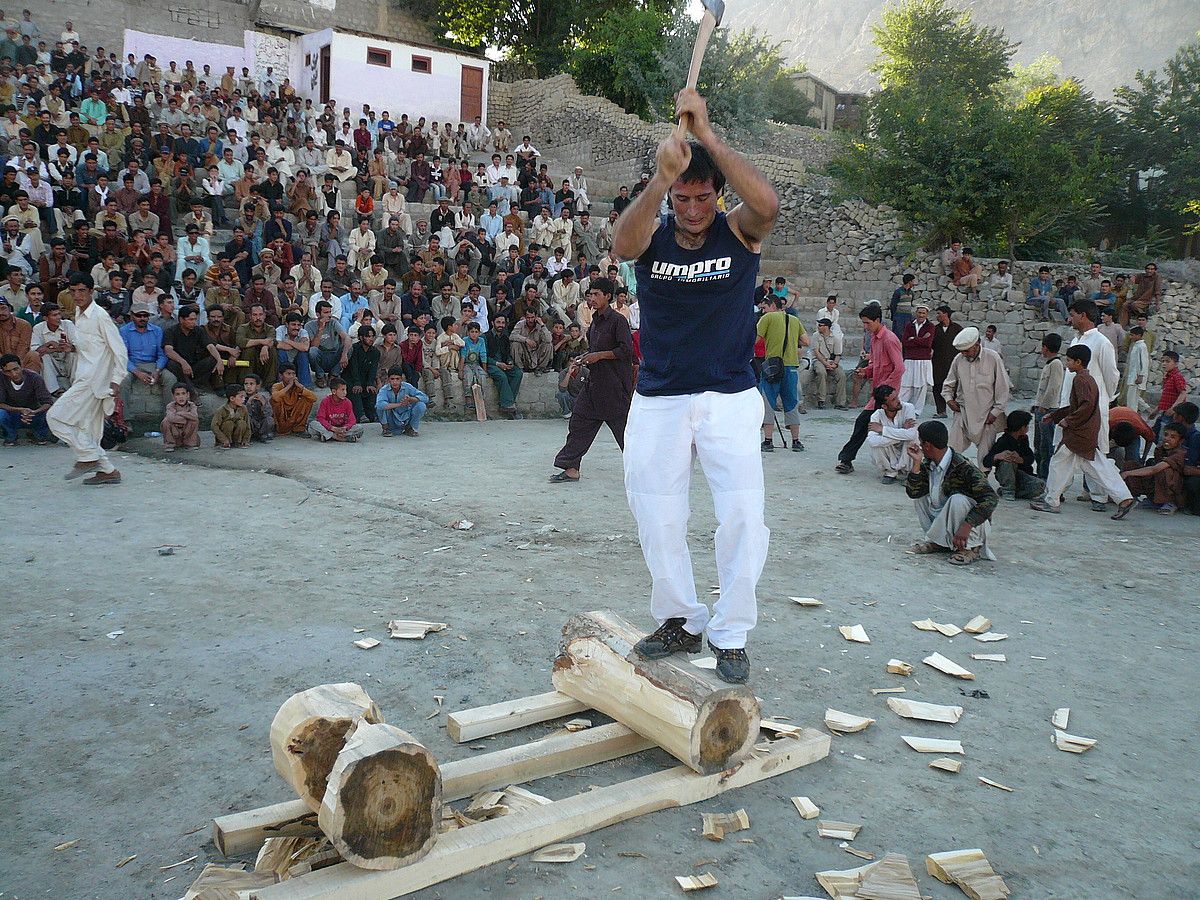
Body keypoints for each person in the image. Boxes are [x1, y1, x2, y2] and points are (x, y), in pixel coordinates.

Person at [612, 87, 779, 684]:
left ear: (717, 196)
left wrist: (707, 137)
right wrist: (661, 179)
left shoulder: (738, 232)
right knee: (656, 516)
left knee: (740, 517)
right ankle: (682, 618)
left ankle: (731, 634)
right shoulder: (651, 236)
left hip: (729, 395)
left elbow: (770, 203)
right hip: (658, 396)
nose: (691, 209)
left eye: (702, 197)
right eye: (683, 199)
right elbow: (620, 243)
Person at [1030, 345, 1136, 519]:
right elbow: (1076, 406)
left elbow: (1084, 406)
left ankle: (1051, 501)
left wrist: (1067, 420)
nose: (1067, 363)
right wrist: (1056, 415)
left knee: (1059, 463)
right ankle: (1124, 498)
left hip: (1079, 433)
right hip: (1086, 432)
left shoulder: (1080, 380)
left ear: (1078, 362)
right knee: (1097, 467)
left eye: (1069, 360)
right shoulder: (1088, 379)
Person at [549, 277, 634, 482]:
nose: (592, 298)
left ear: (607, 296)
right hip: (594, 383)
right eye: (590, 294)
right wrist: (585, 357)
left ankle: (643, 471)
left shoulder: (618, 321)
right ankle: (571, 468)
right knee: (579, 423)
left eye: (597, 294)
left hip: (614, 386)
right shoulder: (595, 320)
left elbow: (626, 350)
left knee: (625, 434)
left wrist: (599, 356)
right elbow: (594, 350)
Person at [47, 274, 127, 484]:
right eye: (73, 291)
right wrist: (72, 348)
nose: (77, 295)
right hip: (84, 376)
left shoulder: (100, 315)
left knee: (54, 417)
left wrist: (117, 380)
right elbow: (92, 347)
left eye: (82, 291)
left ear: (91, 291)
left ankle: (88, 457)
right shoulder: (78, 313)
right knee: (88, 430)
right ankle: (108, 471)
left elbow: (119, 349)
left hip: (95, 381)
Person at [905, 419, 998, 565]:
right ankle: (939, 542)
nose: (920, 447)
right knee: (920, 498)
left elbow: (991, 498)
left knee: (958, 500)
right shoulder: (928, 464)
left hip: (971, 525)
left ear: (928, 445)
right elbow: (913, 492)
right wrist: (916, 463)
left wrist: (967, 526)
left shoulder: (963, 467)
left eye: (922, 443)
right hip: (944, 517)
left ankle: (970, 548)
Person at [1063, 299, 1120, 508]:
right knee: (1065, 451)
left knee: (1095, 452)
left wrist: (1103, 399)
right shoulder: (1075, 340)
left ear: (1083, 316)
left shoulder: (1101, 342)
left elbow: (1111, 376)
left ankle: (1100, 496)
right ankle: (1056, 493)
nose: (1070, 319)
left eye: (1073, 315)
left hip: (1092, 408)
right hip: (1072, 406)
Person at [835, 304, 903, 475]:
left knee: (875, 427)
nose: (865, 326)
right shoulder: (874, 338)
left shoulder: (889, 339)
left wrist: (886, 389)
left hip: (887, 396)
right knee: (866, 425)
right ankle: (847, 459)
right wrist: (866, 371)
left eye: (867, 323)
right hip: (879, 394)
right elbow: (877, 364)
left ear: (877, 320)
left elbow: (899, 368)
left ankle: (848, 460)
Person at [941, 326, 1011, 465]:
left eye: (966, 350)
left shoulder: (993, 358)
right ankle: (949, 478)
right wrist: (949, 400)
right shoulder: (959, 359)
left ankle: (981, 483)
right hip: (963, 412)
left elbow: (1003, 388)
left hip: (986, 415)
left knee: (984, 458)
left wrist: (996, 412)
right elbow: (948, 385)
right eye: (962, 351)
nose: (964, 354)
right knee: (951, 451)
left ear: (977, 345)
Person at [756, 295, 805, 452]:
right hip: (791, 366)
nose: (763, 311)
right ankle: (796, 441)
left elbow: (755, 339)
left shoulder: (767, 318)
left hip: (773, 366)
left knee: (768, 402)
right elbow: (806, 341)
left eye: (764, 307)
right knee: (791, 403)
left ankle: (768, 441)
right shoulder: (794, 320)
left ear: (771, 305)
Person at [1121, 423, 1188, 515]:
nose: (1167, 439)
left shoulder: (1180, 453)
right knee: (1130, 464)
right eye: (1165, 435)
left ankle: (1170, 503)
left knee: (1164, 471)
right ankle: (1151, 499)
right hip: (1155, 482)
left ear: (1181, 441)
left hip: (1174, 488)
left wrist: (1128, 473)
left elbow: (1155, 469)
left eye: (1172, 437)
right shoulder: (1160, 450)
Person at [981, 410, 1044, 501]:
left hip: (1023, 476)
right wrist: (998, 456)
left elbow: (1030, 458)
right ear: (1022, 428)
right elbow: (986, 461)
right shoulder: (1003, 441)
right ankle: (1008, 490)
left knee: (1040, 486)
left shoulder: (1023, 439)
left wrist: (1021, 459)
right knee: (1007, 462)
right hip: (1007, 475)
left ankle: (1012, 491)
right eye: (1027, 426)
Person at [865, 384, 919, 483]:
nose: (898, 401)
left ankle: (910, 473)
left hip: (905, 448)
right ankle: (890, 472)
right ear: (884, 406)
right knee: (876, 446)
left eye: (897, 397)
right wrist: (902, 432)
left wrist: (883, 430)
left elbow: (911, 434)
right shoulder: (876, 416)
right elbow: (872, 441)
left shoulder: (908, 408)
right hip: (890, 449)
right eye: (894, 400)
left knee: (914, 438)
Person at [1031, 333, 1064, 479]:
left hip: (1047, 410)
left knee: (1045, 446)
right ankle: (1040, 474)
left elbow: (1053, 388)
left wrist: (1043, 406)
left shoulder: (1056, 364)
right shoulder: (1050, 363)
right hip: (1041, 409)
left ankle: (1045, 477)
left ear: (1045, 347)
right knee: (1038, 445)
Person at [0, 352, 53, 444]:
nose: (14, 374)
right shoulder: (1, 379)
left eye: (16, 369)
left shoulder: (35, 378)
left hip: (34, 414)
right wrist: (20, 410)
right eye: (8, 371)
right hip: (13, 415)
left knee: (51, 412)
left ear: (22, 366)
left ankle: (40, 435)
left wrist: (34, 412)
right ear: (3, 371)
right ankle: (11, 435)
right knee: (1, 414)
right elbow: (0, 403)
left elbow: (48, 402)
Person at [899, 301, 934, 413]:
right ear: (916, 313)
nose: (921, 315)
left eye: (923, 313)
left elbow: (928, 343)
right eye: (919, 312)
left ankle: (916, 411)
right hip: (909, 359)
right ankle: (901, 407)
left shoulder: (930, 326)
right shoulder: (909, 325)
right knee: (905, 385)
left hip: (923, 360)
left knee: (920, 387)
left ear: (926, 314)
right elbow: (905, 342)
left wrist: (913, 338)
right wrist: (920, 339)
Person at [485, 314, 522, 418]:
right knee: (501, 376)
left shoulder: (505, 338)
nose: (501, 325)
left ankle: (508, 403)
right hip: (491, 364)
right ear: (492, 323)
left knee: (517, 373)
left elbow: (508, 354)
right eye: (498, 322)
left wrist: (509, 362)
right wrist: (497, 364)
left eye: (503, 323)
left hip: (503, 364)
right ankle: (508, 404)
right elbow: (483, 356)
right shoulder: (485, 337)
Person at [375, 365, 428, 436]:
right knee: (379, 407)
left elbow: (425, 398)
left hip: (405, 416)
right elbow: (380, 405)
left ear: (401, 379)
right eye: (392, 379)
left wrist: (411, 399)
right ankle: (386, 429)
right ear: (388, 380)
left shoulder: (407, 387)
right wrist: (400, 404)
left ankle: (410, 428)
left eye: (397, 379)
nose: (395, 382)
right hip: (392, 418)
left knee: (421, 405)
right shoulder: (384, 390)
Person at [805, 317, 845, 409]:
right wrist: (825, 363)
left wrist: (834, 364)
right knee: (821, 372)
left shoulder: (835, 338)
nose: (818, 327)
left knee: (841, 375)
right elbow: (816, 352)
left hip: (831, 361)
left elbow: (838, 354)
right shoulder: (816, 335)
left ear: (826, 327)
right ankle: (821, 400)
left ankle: (840, 401)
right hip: (819, 360)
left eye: (820, 325)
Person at [309, 376, 363, 442]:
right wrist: (332, 428)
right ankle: (339, 437)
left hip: (342, 429)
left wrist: (345, 428)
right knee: (313, 425)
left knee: (360, 428)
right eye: (342, 390)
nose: (345, 392)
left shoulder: (347, 402)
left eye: (346, 389)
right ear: (334, 391)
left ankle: (329, 436)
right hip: (329, 428)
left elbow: (352, 420)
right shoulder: (325, 401)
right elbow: (320, 418)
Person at [930, 305, 962, 419]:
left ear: (946, 314)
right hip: (938, 363)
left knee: (956, 387)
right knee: (937, 387)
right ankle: (941, 411)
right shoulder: (935, 329)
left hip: (953, 363)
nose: (937, 316)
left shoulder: (957, 329)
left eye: (939, 313)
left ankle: (959, 410)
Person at [344, 325, 380, 422]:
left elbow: (373, 369)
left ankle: (372, 415)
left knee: (371, 391)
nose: (371, 339)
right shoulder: (354, 349)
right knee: (355, 390)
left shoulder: (375, 352)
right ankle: (360, 415)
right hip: (351, 378)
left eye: (372, 336)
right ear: (361, 337)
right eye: (368, 336)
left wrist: (370, 383)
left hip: (366, 378)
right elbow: (353, 367)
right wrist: (357, 383)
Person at [270, 365, 317, 435]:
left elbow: (314, 398)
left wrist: (301, 387)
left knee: (307, 400)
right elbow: (275, 398)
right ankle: (281, 429)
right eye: (288, 374)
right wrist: (289, 386)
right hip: (282, 419)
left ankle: (299, 429)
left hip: (294, 415)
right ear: (281, 376)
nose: (292, 376)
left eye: (293, 374)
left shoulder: (297, 386)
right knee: (276, 401)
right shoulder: (276, 386)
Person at [161, 383, 200, 451]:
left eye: (183, 393)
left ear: (187, 395)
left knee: (194, 421)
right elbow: (171, 418)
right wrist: (186, 418)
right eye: (177, 394)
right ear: (173, 397)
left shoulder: (192, 405)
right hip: (175, 433)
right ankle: (170, 444)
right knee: (165, 421)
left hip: (187, 433)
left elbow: (195, 416)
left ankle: (190, 444)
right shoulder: (170, 406)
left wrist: (180, 413)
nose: (181, 397)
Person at [211, 383, 250, 449]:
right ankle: (224, 443)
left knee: (242, 423)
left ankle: (238, 442)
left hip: (238, 437)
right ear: (232, 398)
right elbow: (214, 426)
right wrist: (223, 439)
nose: (244, 399)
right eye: (241, 397)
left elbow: (248, 425)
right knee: (228, 423)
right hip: (224, 437)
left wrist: (246, 439)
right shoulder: (221, 410)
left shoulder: (244, 408)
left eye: (244, 397)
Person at [1122, 325, 1149, 411]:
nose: (1130, 337)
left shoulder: (1142, 346)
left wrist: (1141, 376)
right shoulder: (1136, 345)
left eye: (1132, 335)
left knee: (1132, 402)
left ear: (1139, 335)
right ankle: (1149, 409)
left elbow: (1144, 362)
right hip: (1133, 377)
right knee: (1133, 399)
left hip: (1136, 378)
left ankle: (1132, 418)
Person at [243, 373, 275, 442]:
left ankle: (262, 435)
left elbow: (269, 414)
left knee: (269, 419)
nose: (248, 386)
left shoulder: (262, 397)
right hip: (251, 424)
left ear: (257, 386)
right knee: (247, 419)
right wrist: (248, 402)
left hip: (260, 424)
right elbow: (244, 414)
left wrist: (263, 404)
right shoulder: (242, 398)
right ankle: (249, 435)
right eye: (246, 384)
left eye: (251, 384)